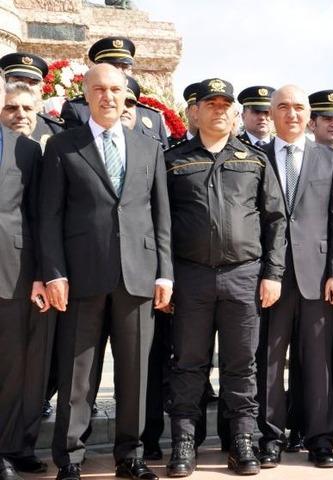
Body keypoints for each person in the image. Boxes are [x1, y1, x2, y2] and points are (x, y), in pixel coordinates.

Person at [39, 63, 173, 480]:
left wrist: (164, 273)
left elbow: (161, 216)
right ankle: (70, 459)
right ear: (86, 95)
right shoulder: (63, 147)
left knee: (135, 373)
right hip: (81, 277)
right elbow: (49, 217)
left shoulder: (148, 147)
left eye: (116, 90)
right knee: (78, 373)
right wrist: (55, 272)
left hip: (138, 275)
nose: (108, 97)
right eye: (99, 89)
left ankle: (130, 456)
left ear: (126, 97)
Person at [162, 78, 286, 477]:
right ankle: (184, 441)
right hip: (191, 277)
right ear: (194, 112)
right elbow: (159, 225)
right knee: (188, 364)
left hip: (243, 277)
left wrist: (273, 273)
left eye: (224, 104)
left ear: (235, 112)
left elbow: (275, 220)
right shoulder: (174, 160)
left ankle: (242, 441)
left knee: (241, 366)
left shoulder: (254, 160)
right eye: (209, 104)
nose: (218, 110)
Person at [255, 85, 333, 469]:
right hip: (270, 277)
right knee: (270, 362)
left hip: (318, 276)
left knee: (317, 362)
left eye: (298, 108)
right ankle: (270, 439)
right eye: (283, 107)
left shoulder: (330, 160)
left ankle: (321, 440)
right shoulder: (256, 158)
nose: (291, 114)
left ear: (308, 116)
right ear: (272, 114)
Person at [0, 86, 51, 480]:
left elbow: (41, 217)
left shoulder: (29, 151)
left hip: (15, 271)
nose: (18, 113)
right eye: (10, 106)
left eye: (24, 107)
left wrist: (41, 272)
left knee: (17, 366)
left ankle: (13, 447)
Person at [61, 37, 169, 147]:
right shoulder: (77, 109)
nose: (119, 72)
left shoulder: (152, 117)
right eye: (112, 66)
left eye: (125, 67)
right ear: (97, 68)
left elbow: (162, 160)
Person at [0, 52, 65, 146]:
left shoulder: (53, 128)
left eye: (32, 82)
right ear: (5, 84)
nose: (25, 87)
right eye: (18, 81)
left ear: (41, 89)